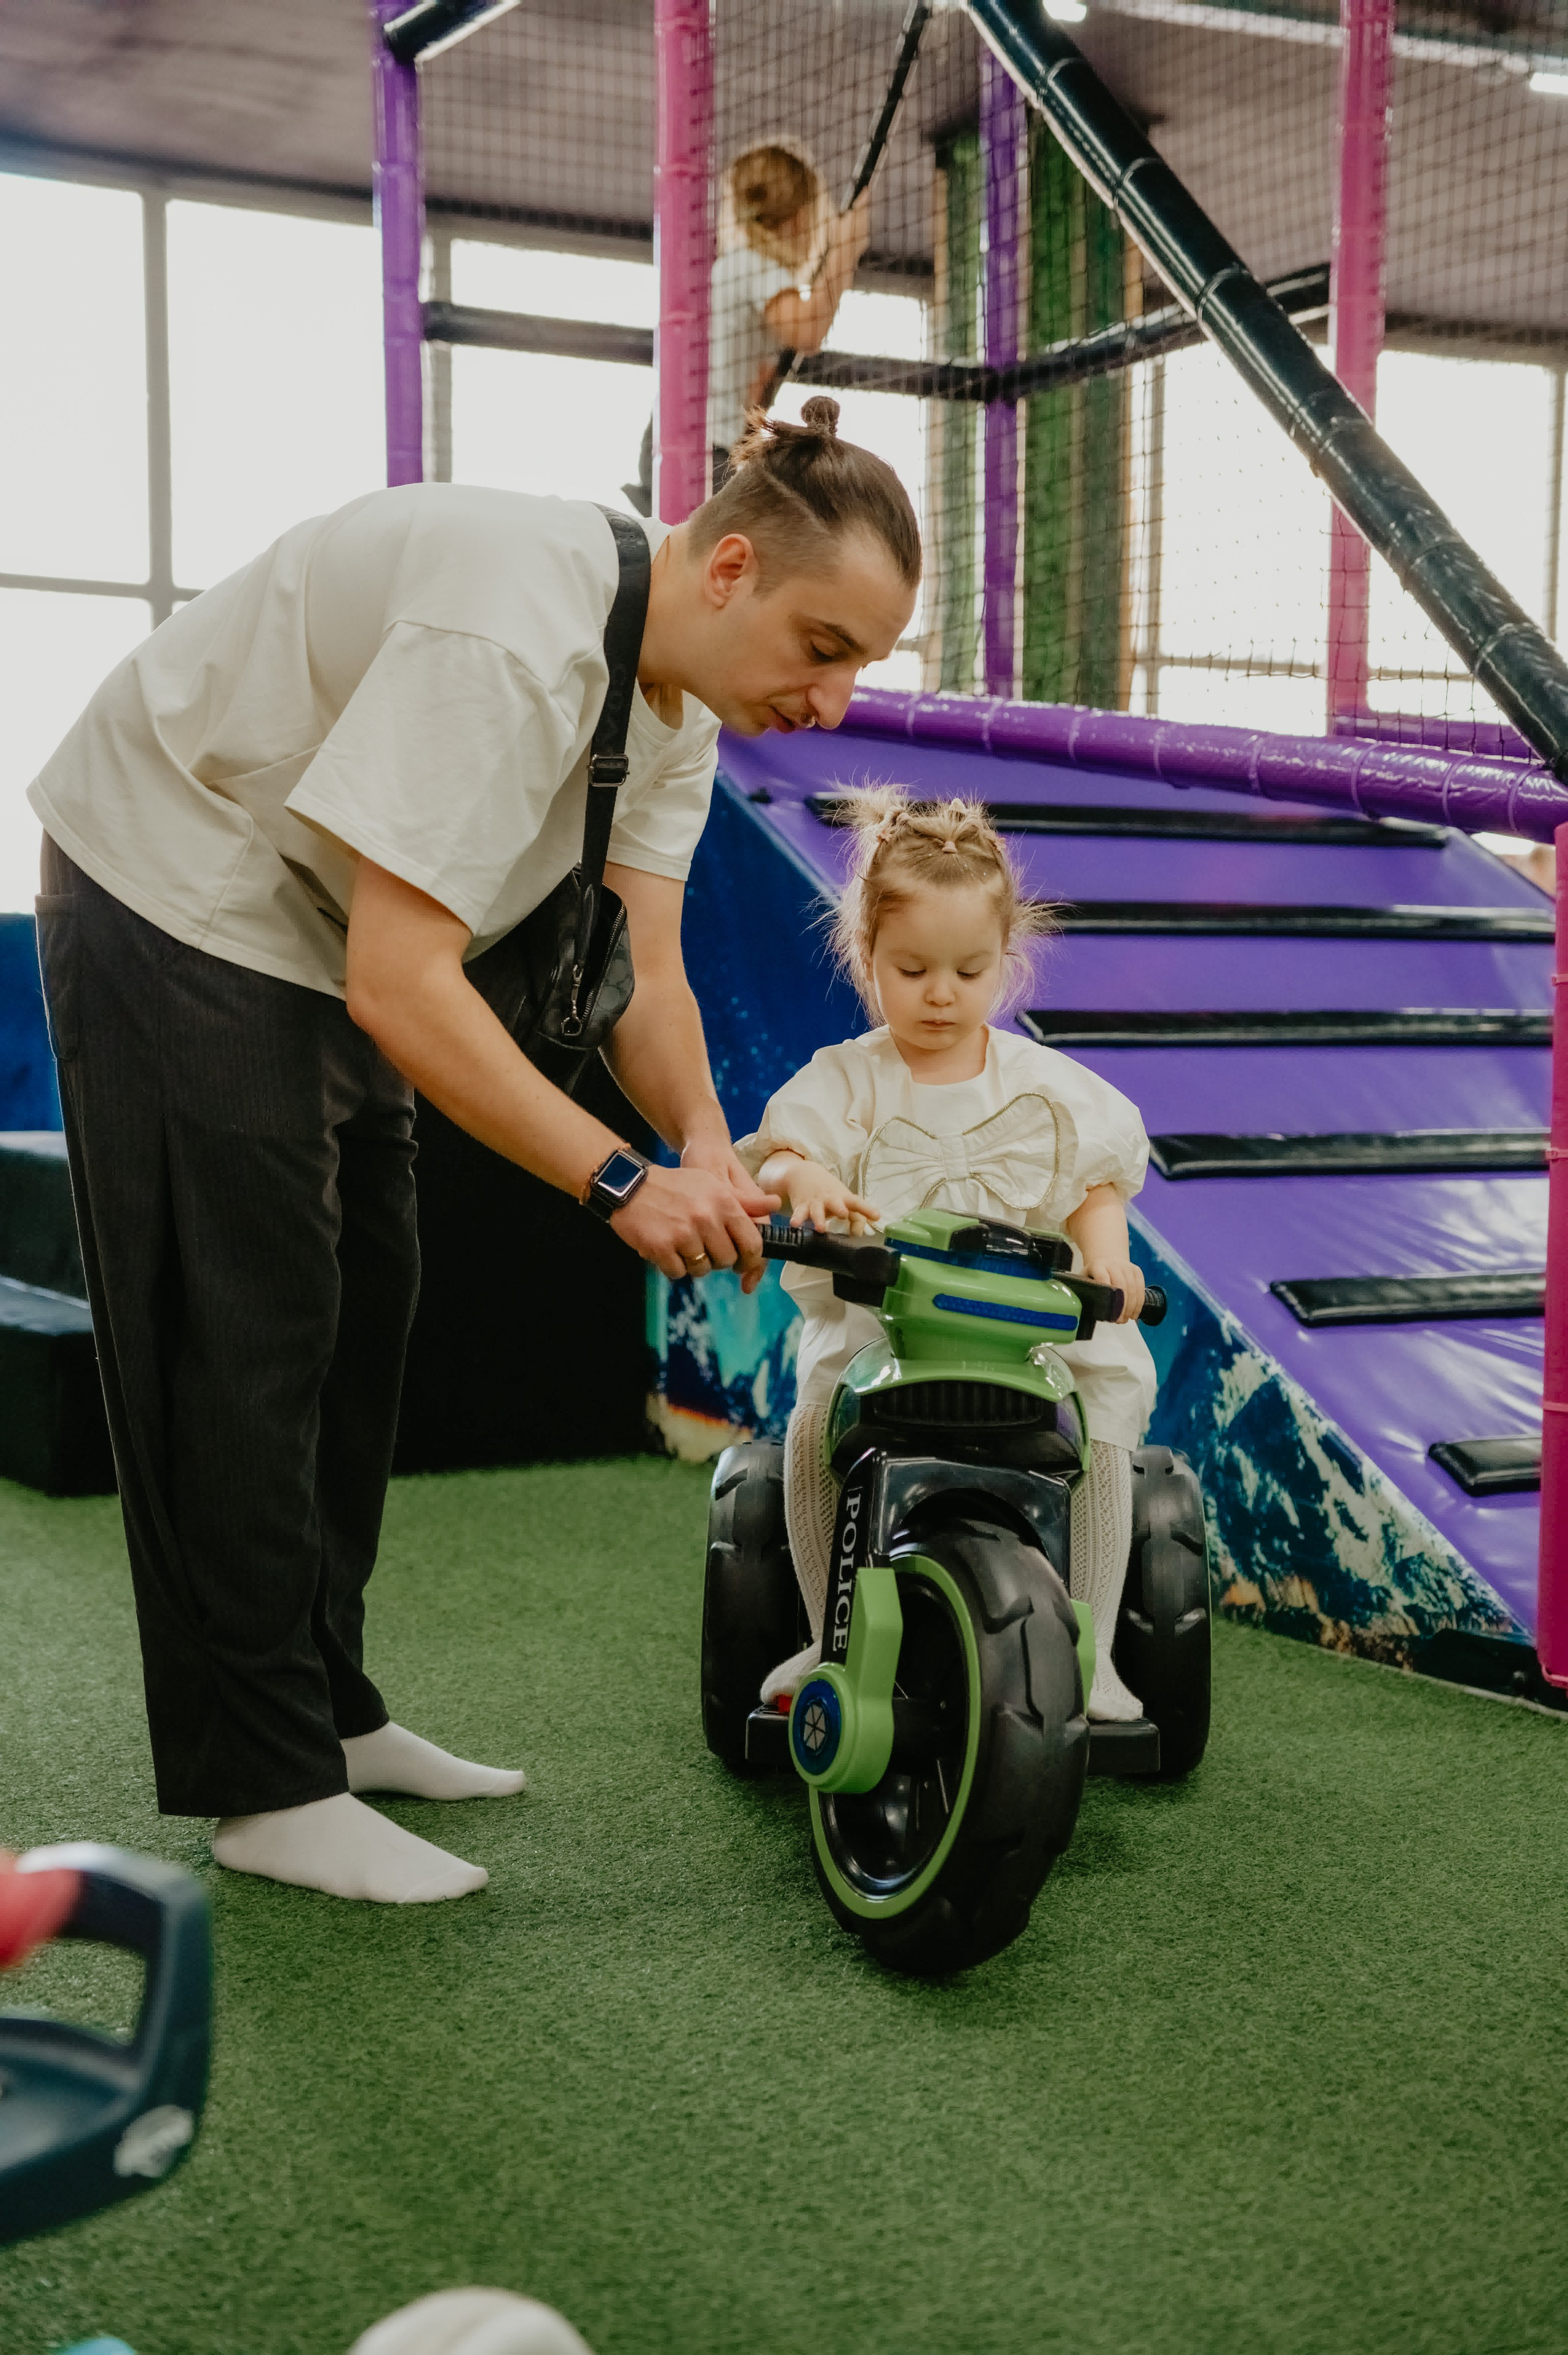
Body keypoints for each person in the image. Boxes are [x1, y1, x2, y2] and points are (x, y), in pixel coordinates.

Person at [28, 397, 920, 1906]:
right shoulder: (516, 629)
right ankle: (265, 1785)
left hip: (314, 925)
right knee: (244, 1328)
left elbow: (641, 957)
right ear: (725, 572)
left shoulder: (682, 703)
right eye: (821, 645)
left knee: (364, 1303)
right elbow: (402, 981)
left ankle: (329, 1706)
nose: (832, 699)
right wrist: (622, 1183)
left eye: (860, 668)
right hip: (176, 874)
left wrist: (708, 1143)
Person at [734, 787, 1157, 1724]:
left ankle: (1090, 1646)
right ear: (867, 959)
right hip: (890, 1319)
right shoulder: (848, 1076)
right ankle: (829, 1636)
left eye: (969, 971)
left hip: (1026, 1324)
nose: (940, 993)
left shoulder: (1048, 1088)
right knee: (817, 1417)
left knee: (1108, 1391)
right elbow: (791, 1150)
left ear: (1006, 963)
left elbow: (1097, 1186)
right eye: (912, 967)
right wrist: (808, 1187)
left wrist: (1105, 1260)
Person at [709, 144, 871, 486]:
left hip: (711, 449)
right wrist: (844, 251)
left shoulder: (739, 267)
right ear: (800, 217)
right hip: (705, 451)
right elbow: (808, 331)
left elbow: (755, 391)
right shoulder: (751, 265)